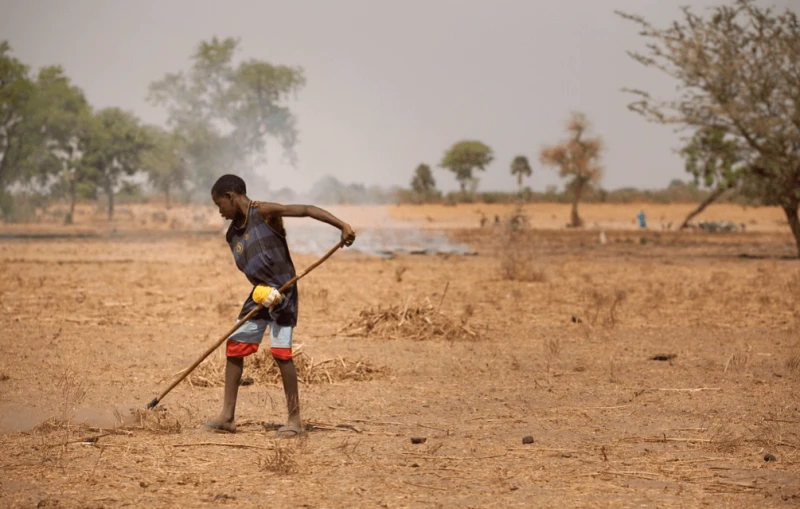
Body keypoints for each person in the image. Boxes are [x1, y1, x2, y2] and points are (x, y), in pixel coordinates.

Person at [206, 174, 356, 437]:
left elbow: (306, 210)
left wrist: (341, 225)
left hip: (284, 290)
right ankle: (227, 417)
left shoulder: (264, 212)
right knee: (235, 346)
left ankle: (295, 420)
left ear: (230, 197)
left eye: (220, 205)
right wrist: (262, 294)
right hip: (260, 294)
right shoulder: (232, 235)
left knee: (281, 351)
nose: (219, 212)